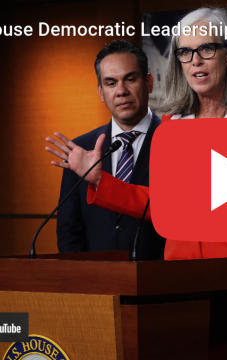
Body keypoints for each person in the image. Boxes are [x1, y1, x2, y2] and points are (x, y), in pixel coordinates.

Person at [46, 8, 227, 359]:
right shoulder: (175, 127)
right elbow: (163, 203)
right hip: (182, 290)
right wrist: (100, 180)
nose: (195, 61)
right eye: (185, 52)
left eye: (207, 49)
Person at [46, 40, 165, 261]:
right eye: (111, 83)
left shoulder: (175, 141)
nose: (121, 91)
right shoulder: (80, 149)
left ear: (148, 83)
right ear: (101, 92)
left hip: (160, 283)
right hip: (98, 286)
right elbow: (69, 231)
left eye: (130, 79)